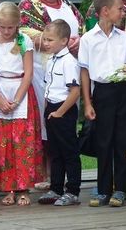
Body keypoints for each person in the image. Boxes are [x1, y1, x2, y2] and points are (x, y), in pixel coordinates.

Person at [19, 0, 85, 189]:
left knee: (66, 118)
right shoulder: (28, 5)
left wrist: (77, 42)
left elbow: (80, 27)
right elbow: (25, 32)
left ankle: (65, 175)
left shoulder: (67, 5)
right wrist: (54, 42)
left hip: (69, 67)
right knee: (46, 119)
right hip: (41, 71)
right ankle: (46, 171)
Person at [79, 0, 126, 207]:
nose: (123, 13)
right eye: (120, 9)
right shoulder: (88, 39)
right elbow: (84, 71)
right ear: (105, 11)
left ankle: (121, 188)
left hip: (123, 90)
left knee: (123, 139)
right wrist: (88, 102)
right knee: (103, 141)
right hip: (102, 92)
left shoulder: (125, 38)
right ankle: (103, 189)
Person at [0, 2, 44, 206]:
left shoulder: (23, 41)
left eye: (10, 27)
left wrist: (18, 98)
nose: (5, 31)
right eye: (1, 27)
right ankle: (7, 187)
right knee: (2, 143)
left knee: (22, 141)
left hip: (20, 91)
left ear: (17, 24)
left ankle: (23, 187)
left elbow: (28, 72)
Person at [37, 19, 81, 206]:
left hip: (64, 109)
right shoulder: (52, 60)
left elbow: (75, 91)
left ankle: (72, 191)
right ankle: (56, 188)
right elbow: (48, 88)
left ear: (63, 41)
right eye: (45, 39)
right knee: (54, 151)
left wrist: (61, 113)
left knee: (68, 151)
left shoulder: (69, 62)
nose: (46, 43)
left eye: (50, 40)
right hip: (52, 109)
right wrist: (47, 111)